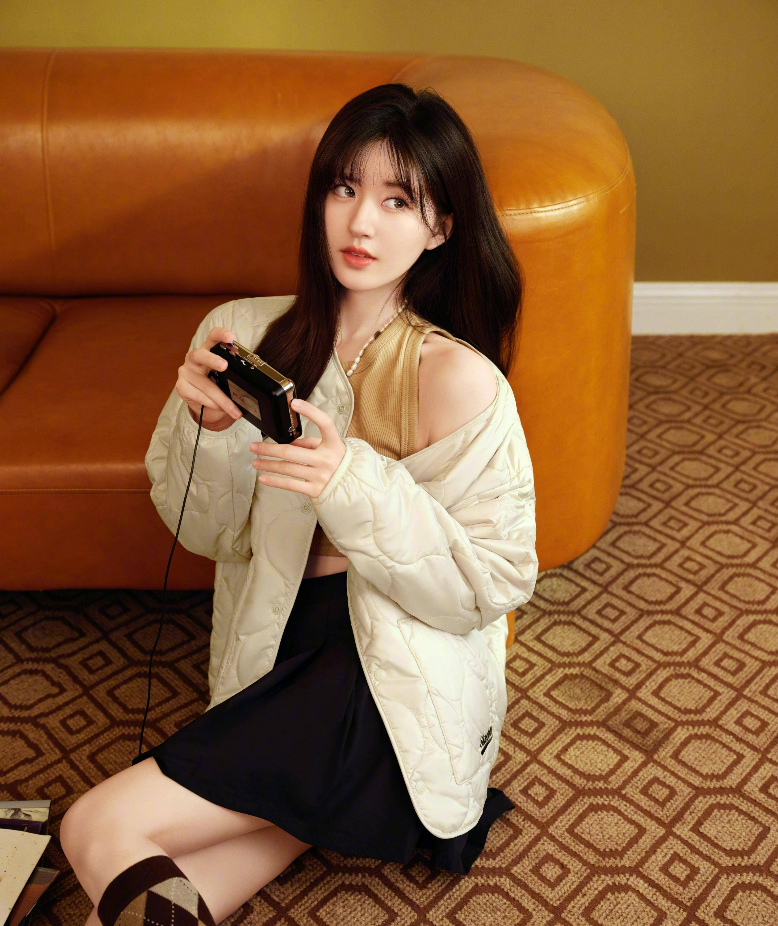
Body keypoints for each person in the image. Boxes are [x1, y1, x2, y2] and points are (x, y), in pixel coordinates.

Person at [60, 83, 538, 926]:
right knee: (181, 890)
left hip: (388, 681)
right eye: (344, 188)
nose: (360, 223)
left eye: (398, 201)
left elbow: (491, 584)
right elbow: (202, 532)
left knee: (96, 825)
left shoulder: (458, 379)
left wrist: (348, 481)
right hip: (274, 646)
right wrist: (206, 431)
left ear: (441, 227)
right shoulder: (246, 334)